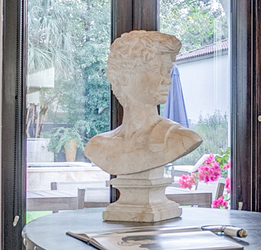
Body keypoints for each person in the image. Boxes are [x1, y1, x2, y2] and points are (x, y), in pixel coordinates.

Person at [83, 31, 203, 176]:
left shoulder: (181, 138)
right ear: (124, 76)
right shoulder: (98, 145)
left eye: (167, 71)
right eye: (156, 70)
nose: (167, 80)